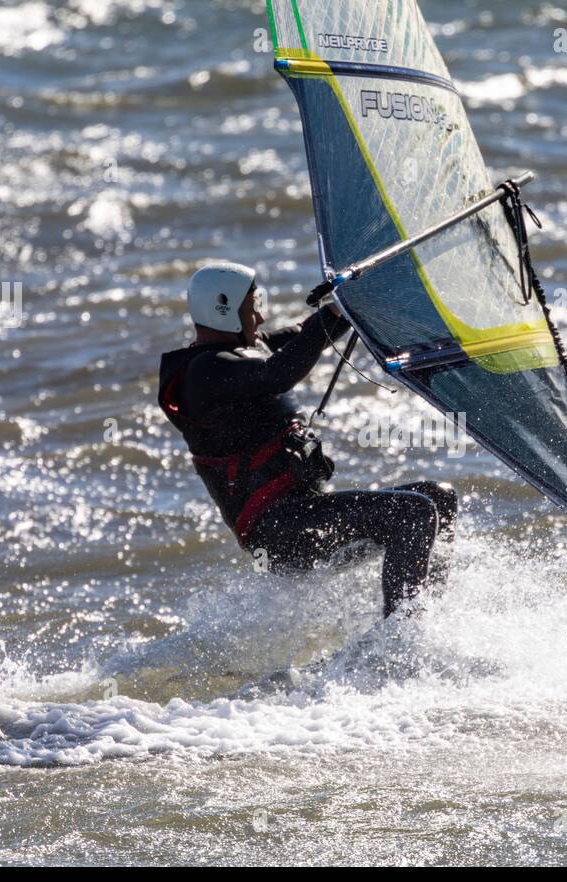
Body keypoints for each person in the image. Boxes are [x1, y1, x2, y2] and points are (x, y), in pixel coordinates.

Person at [159, 261, 457, 618]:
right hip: (278, 532)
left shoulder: (250, 349)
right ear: (223, 307)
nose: (261, 317)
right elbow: (280, 373)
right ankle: (403, 634)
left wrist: (347, 301)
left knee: (438, 498)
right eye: (254, 305)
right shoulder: (204, 371)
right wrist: (338, 311)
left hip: (303, 514)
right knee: (412, 511)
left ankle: (431, 612)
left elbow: (307, 331)